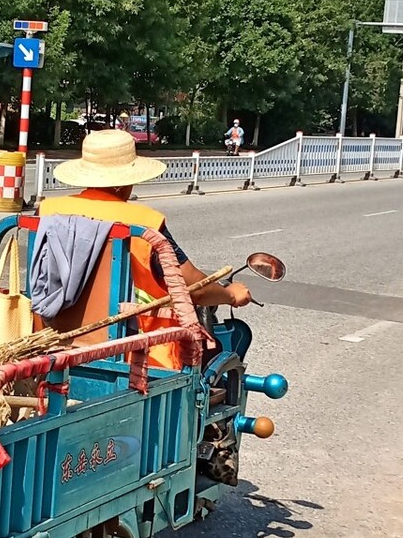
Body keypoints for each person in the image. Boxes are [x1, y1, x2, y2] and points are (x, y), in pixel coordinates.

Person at [39, 130, 253, 369]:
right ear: (124, 182)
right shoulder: (144, 222)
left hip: (53, 345)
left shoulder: (49, 211)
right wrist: (231, 295)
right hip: (138, 357)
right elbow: (194, 289)